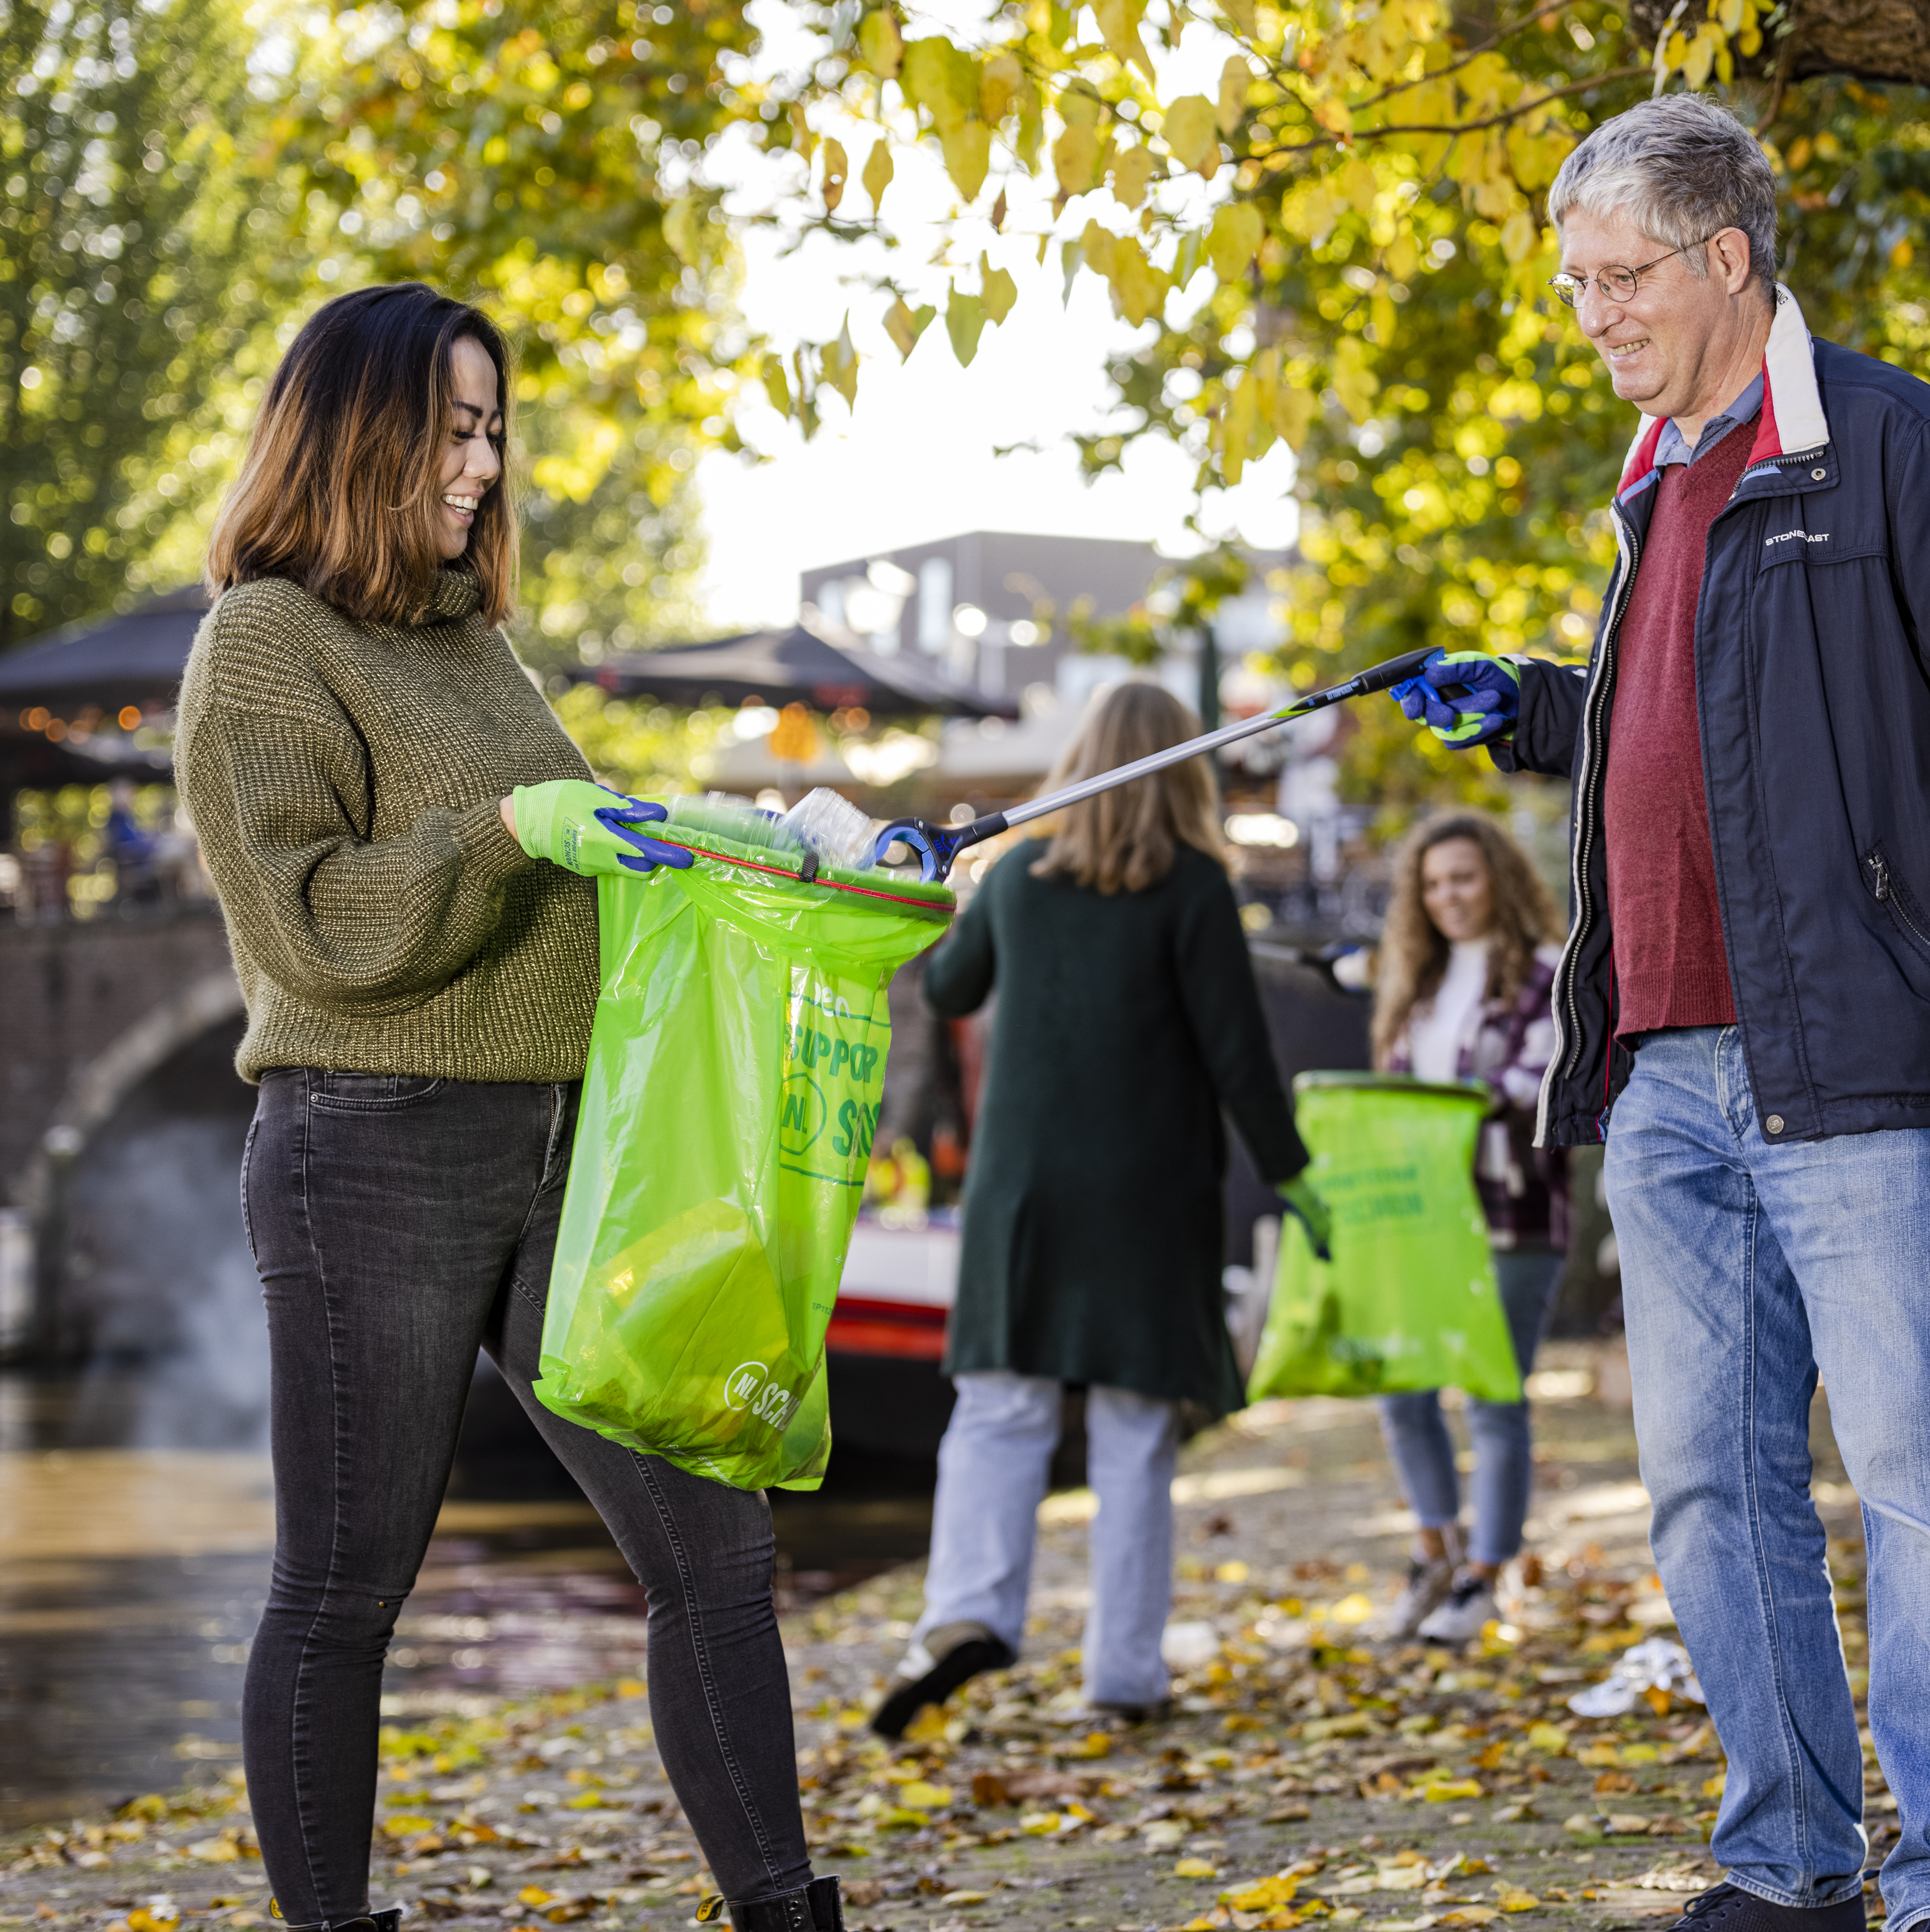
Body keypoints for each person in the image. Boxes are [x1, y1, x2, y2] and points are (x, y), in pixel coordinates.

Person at [1390, 95, 1930, 1932]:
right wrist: (1541, 709)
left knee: (1923, 1499)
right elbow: (1700, 749)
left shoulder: (1881, 444)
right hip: (1663, 1074)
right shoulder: (1652, 479)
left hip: (1866, 1071)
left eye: (1619, 276)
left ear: (1728, 256)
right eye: (1575, 284)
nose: (1592, 314)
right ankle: (1790, 1864)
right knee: (1712, 1504)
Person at [177, 284, 840, 1932]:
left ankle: (786, 1910)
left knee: (717, 1553)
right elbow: (313, 924)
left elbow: (587, 854)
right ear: (358, 432)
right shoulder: (261, 644)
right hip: (368, 1149)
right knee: (345, 1592)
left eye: (492, 429)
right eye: (452, 429)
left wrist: (766, 848)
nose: (480, 466)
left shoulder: (471, 644)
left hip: (556, 1154)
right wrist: (513, 836)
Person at [870, 681, 1329, 1739]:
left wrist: (960, 884)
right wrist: (1296, 1177)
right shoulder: (1197, 887)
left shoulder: (1021, 874)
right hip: (1151, 1193)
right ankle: (1122, 1672)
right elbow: (1239, 1061)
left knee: (998, 1409)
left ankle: (965, 1613)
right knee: (1134, 1434)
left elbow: (944, 993)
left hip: (1023, 1189)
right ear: (1187, 767)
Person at [1363, 811, 1570, 1645]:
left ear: (1500, 881)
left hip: (1511, 1213)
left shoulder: (1550, 975)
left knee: (1492, 1394)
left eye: (1465, 877)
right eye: (1434, 882)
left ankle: (1488, 1575)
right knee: (1401, 1386)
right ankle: (1435, 1549)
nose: (1449, 895)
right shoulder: (1413, 984)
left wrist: (1438, 1110)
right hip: (1419, 1221)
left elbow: (1529, 1087)